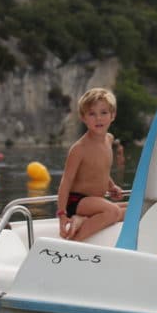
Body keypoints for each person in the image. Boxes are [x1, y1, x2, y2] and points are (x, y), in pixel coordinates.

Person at [56, 87, 126, 242]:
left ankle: (83, 220)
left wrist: (112, 186)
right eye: (92, 114)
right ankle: (74, 241)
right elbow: (65, 182)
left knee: (134, 209)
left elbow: (100, 170)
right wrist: (62, 214)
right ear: (83, 117)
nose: (98, 118)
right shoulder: (79, 148)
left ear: (112, 115)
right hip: (77, 201)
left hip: (95, 201)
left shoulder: (109, 139)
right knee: (113, 212)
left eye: (103, 113)